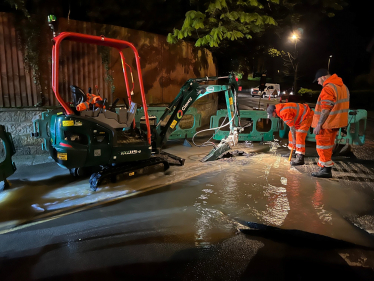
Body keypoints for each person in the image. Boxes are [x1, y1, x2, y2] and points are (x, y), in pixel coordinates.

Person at [310, 69, 349, 178]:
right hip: (336, 122)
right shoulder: (343, 87)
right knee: (328, 146)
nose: (318, 82)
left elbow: (326, 109)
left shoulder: (328, 88)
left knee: (322, 146)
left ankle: (325, 170)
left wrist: (318, 125)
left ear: (323, 77)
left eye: (318, 80)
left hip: (326, 124)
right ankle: (324, 167)